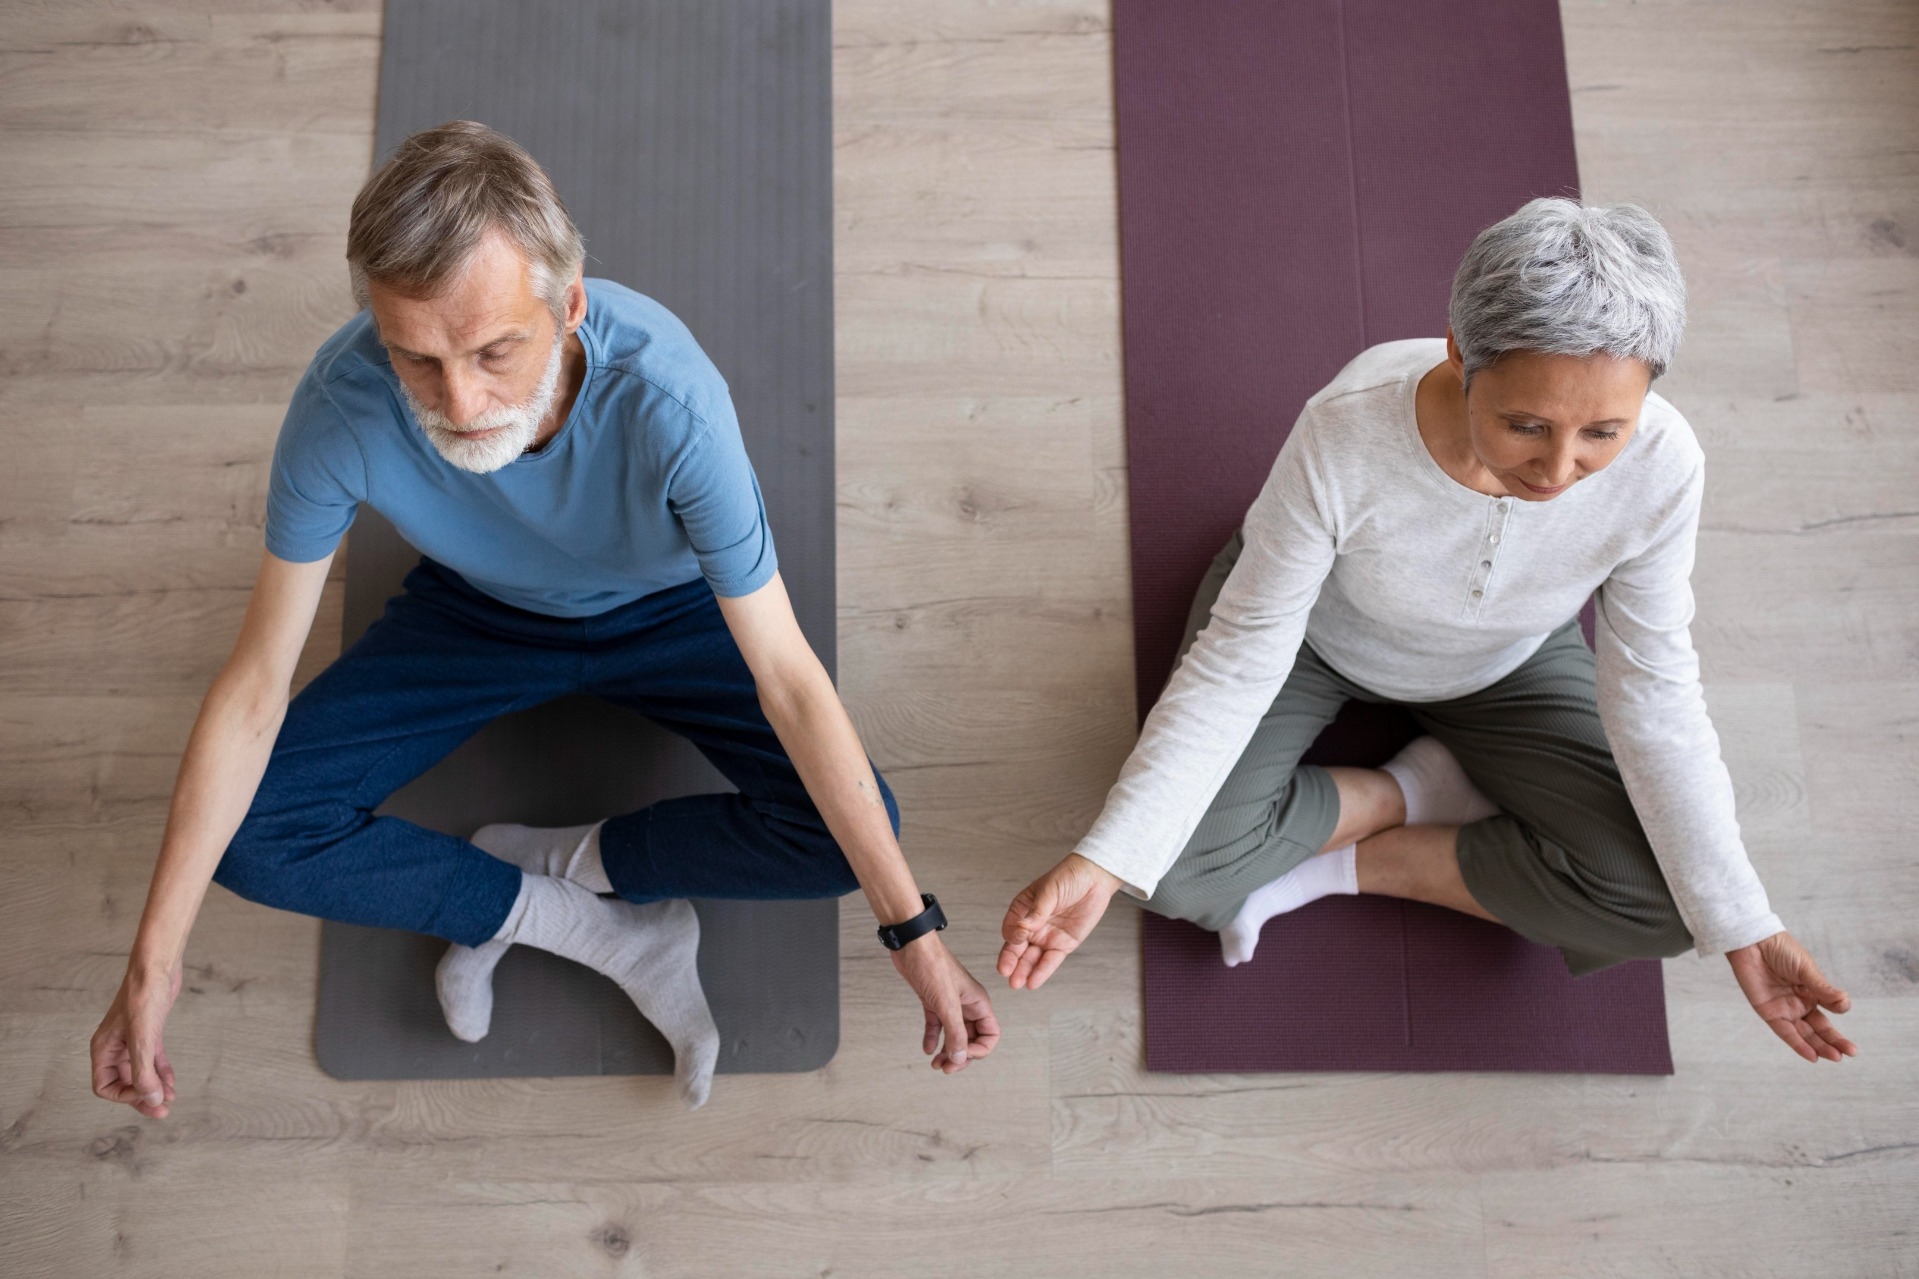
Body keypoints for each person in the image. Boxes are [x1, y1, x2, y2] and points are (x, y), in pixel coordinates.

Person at [90, 121, 999, 1117]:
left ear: (567, 306)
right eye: (417, 360)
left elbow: (785, 677)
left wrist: (915, 936)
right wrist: (152, 965)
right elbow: (254, 685)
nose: (461, 402)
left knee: (853, 845)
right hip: (476, 616)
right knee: (248, 837)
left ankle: (557, 860)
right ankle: (586, 924)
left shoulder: (670, 402)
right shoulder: (338, 407)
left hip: (667, 608)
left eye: (493, 351)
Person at [998, 198, 1857, 1065]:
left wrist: (1746, 923)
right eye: (1525, 425)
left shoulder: (1666, 465)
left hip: (1508, 663)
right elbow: (1239, 658)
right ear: (1460, 353)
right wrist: (1104, 858)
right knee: (1168, 871)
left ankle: (1365, 839)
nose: (1558, 470)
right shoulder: (1344, 426)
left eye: (1602, 431)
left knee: (1682, 903)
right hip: (1314, 637)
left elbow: (1655, 689)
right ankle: (1406, 790)